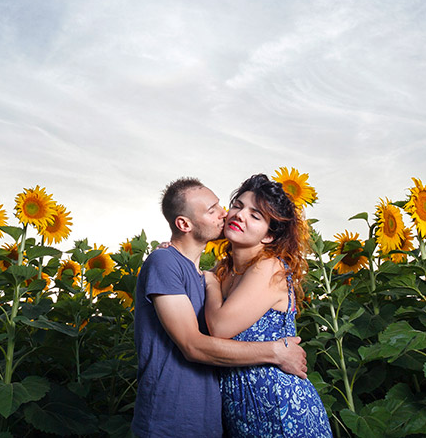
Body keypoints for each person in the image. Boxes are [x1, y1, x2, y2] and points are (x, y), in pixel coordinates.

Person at [133, 177, 308, 438]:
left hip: (268, 410)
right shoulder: (204, 271)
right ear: (184, 223)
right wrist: (276, 352)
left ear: (270, 235)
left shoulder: (248, 270)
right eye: (231, 206)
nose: (229, 214)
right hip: (173, 418)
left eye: (255, 215)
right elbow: (195, 343)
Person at [204, 173, 333, 437]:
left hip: (282, 409)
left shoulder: (269, 267)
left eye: (256, 215)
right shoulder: (225, 269)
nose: (240, 215)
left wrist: (208, 281)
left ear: (268, 237)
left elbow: (218, 327)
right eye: (238, 206)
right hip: (242, 410)